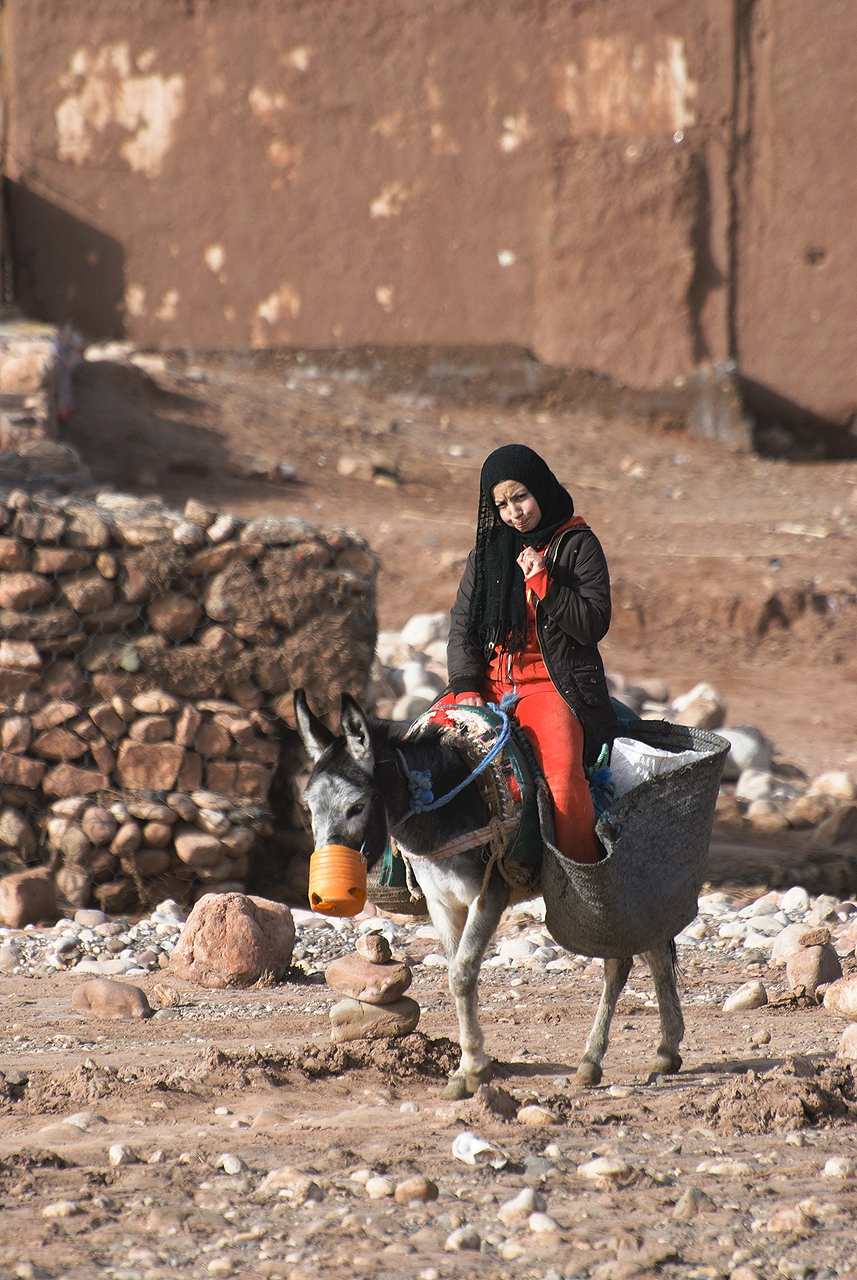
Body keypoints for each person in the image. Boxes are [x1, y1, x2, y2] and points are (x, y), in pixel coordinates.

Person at [446, 443, 618, 864]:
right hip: (488, 684)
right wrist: (466, 686)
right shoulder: (487, 555)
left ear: (540, 488)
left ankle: (582, 887)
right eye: (502, 504)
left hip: (549, 685)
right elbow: (462, 626)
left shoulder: (578, 545)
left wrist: (544, 583)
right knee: (419, 753)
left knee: (562, 783)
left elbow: (593, 624)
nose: (514, 513)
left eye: (520, 497)